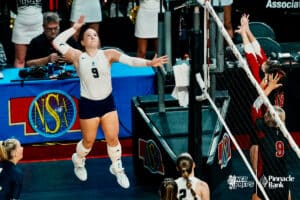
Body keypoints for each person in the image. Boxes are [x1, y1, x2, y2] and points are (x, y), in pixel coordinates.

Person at [52, 15, 168, 188]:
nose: (92, 36)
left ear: (99, 40)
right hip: (88, 104)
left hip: (106, 102)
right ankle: (78, 159)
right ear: (82, 42)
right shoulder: (77, 56)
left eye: (95, 35)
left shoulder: (108, 54)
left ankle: (117, 168)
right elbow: (57, 42)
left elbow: (131, 61)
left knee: (113, 138)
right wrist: (75, 28)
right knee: (88, 142)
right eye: (88, 35)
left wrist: (149, 62)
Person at [251, 73, 292, 200]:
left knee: (255, 196)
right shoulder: (285, 135)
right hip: (282, 177)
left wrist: (268, 88)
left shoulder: (262, 130)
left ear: (266, 119)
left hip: (267, 177)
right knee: (287, 194)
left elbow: (255, 106)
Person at [11, 0, 43, 68]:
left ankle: (40, 77)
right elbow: (11, 6)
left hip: (39, 25)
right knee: (20, 59)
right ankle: (19, 78)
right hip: (21, 26)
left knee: (40, 57)